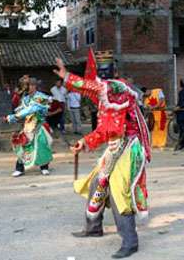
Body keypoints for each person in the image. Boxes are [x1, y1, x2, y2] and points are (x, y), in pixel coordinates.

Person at [54, 49, 151, 259]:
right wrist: (83, 142)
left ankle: (130, 241)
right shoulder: (106, 96)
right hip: (116, 145)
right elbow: (104, 130)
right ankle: (93, 227)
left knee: (118, 190)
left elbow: (94, 88)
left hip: (129, 147)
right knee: (97, 182)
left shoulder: (118, 90)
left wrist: (67, 76)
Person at [6, 77, 52, 177]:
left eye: (28, 85)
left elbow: (32, 109)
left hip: (39, 126)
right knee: (23, 145)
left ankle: (44, 167)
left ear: (34, 86)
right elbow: (21, 109)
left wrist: (15, 116)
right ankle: (20, 168)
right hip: (28, 126)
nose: (26, 87)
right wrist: (12, 115)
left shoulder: (42, 97)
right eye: (25, 85)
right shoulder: (26, 98)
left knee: (41, 145)